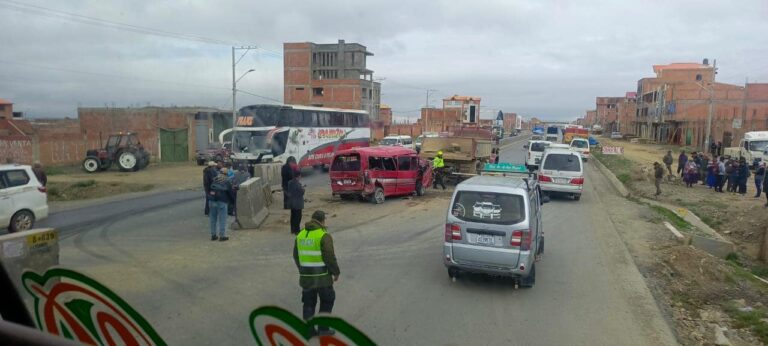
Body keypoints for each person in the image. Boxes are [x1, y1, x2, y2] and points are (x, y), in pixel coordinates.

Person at [293, 210, 340, 336]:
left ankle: (309, 331)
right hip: (323, 278)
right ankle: (323, 329)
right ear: (323, 221)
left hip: (306, 279)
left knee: (308, 303)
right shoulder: (324, 235)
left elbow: (296, 256)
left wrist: (302, 269)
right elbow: (329, 257)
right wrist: (336, 272)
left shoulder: (300, 235)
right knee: (327, 301)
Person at [208, 167, 233, 241]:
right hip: (222, 201)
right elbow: (230, 193)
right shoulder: (227, 180)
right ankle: (222, 236)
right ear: (226, 174)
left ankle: (213, 235)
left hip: (212, 200)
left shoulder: (215, 179)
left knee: (213, 219)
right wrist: (232, 202)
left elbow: (209, 189)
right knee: (223, 219)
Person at [286, 170, 305, 235]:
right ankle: (297, 230)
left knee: (293, 216)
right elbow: (301, 192)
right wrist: (303, 189)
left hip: (291, 202)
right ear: (298, 176)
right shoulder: (297, 184)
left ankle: (292, 229)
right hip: (297, 203)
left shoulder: (290, 182)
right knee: (298, 217)